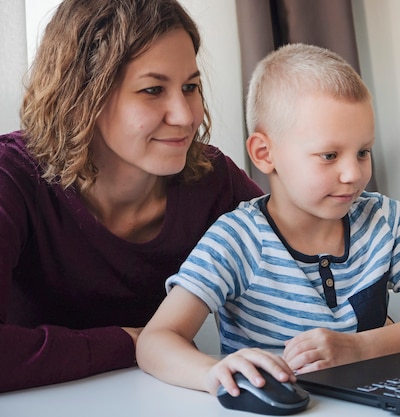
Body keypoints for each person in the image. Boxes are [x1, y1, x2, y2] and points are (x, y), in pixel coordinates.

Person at [136, 43, 400, 397]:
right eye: (329, 155)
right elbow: (155, 340)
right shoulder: (236, 238)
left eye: (363, 152)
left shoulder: (385, 219)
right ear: (265, 154)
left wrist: (360, 348)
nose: (353, 174)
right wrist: (213, 373)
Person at [0, 0, 270, 393]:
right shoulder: (12, 177)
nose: (184, 115)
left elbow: (301, 258)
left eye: (190, 87)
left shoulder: (214, 180)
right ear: (83, 96)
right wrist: (130, 343)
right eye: (152, 90)